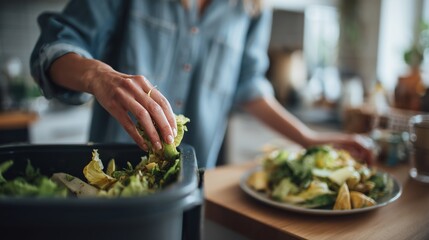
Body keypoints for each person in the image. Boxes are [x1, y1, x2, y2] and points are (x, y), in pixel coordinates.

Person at [30, 0, 373, 168]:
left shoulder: (251, 7)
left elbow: (248, 85)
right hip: (114, 178)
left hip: (194, 183)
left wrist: (309, 139)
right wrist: (97, 75)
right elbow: (53, 49)